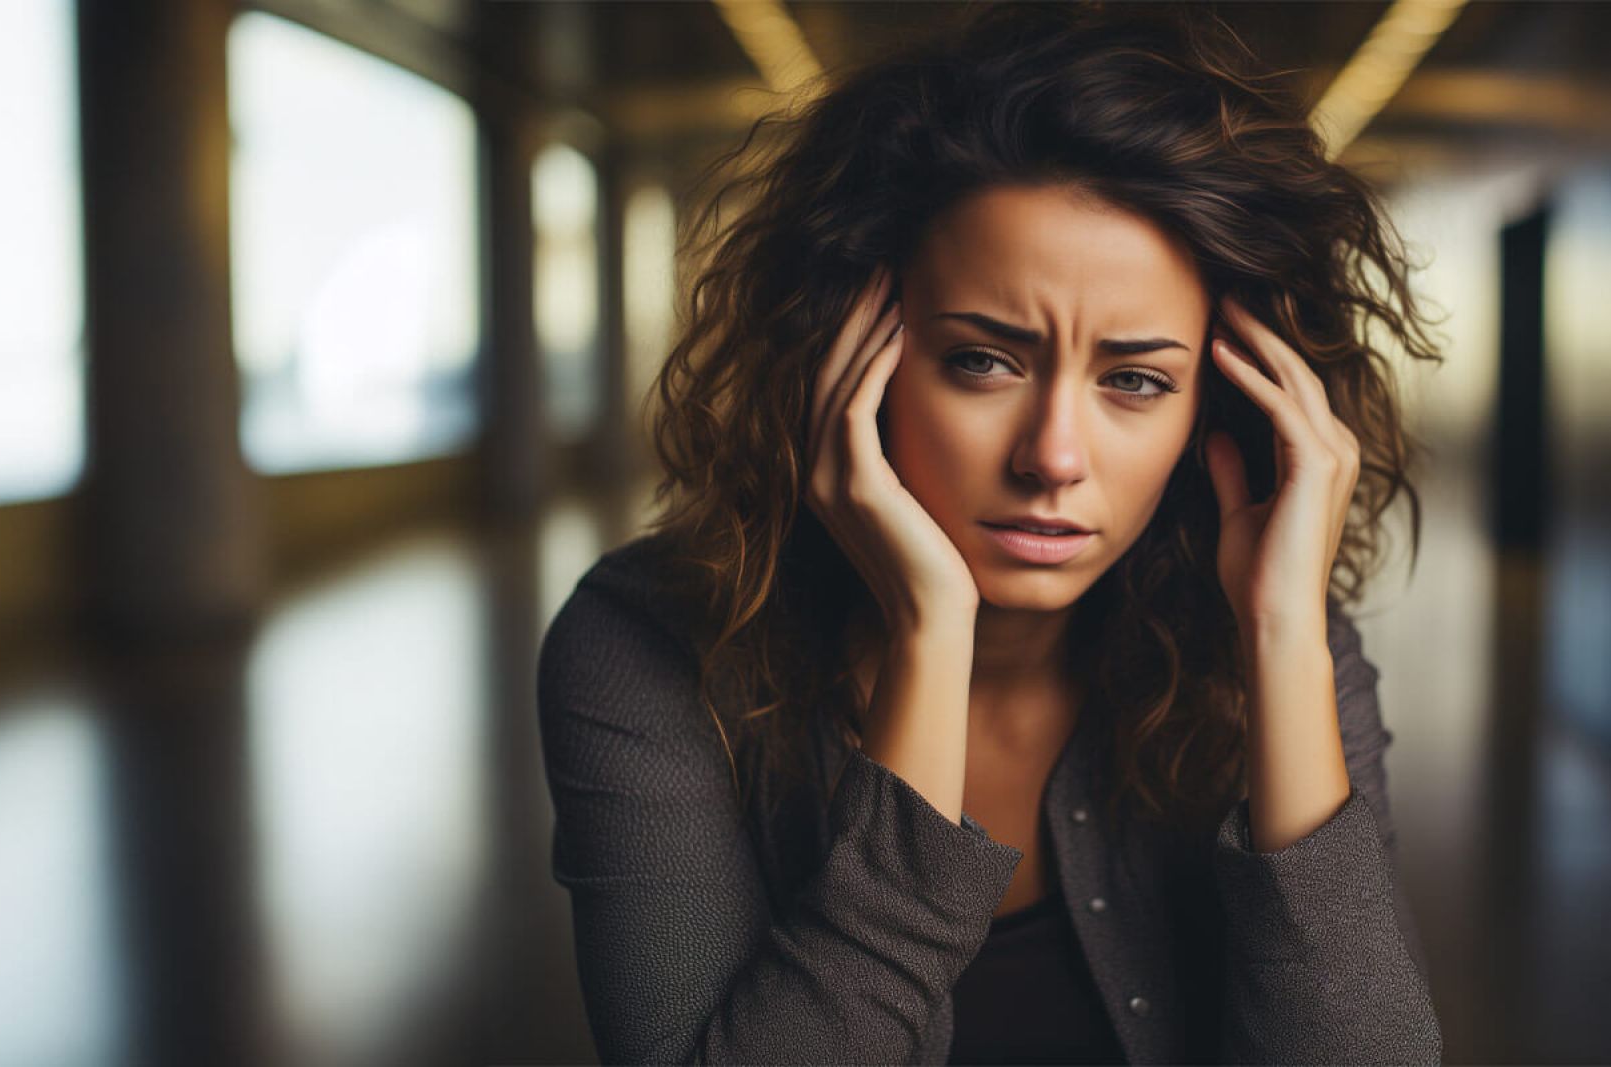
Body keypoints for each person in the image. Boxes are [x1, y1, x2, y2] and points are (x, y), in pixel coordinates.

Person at [536, 3, 1445, 1063]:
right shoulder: (647, 646)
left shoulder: (1268, 646)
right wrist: (930, 632)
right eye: (983, 360)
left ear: (1217, 409)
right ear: (846, 352)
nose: (1053, 454)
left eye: (1136, 380)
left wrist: (1285, 632)